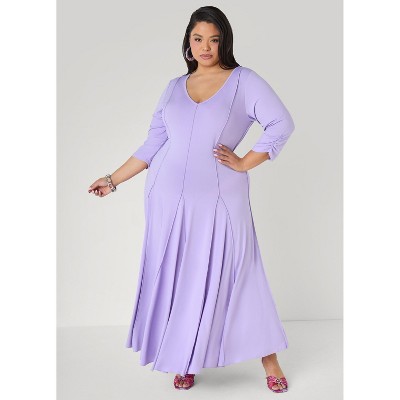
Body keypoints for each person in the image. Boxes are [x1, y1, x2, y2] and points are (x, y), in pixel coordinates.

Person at [88, 6, 295, 393]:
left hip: (221, 196)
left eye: (214, 39)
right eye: (198, 39)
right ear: (188, 42)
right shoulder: (173, 87)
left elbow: (281, 122)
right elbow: (152, 144)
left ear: (224, 42)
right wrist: (112, 180)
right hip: (166, 197)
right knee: (181, 276)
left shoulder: (244, 80)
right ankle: (183, 357)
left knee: (242, 270)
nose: (206, 47)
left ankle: (270, 359)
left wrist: (245, 162)